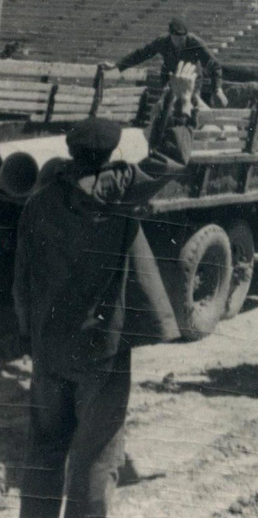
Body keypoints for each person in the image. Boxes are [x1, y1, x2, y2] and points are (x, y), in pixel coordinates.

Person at [13, 88, 194, 518]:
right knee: (95, 457)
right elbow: (170, 159)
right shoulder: (118, 191)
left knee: (42, 451)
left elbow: (22, 283)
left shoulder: (38, 203)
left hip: (49, 349)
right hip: (102, 350)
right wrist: (183, 106)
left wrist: (32, 337)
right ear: (111, 152)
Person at [106, 16, 228, 107]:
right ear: (170, 35)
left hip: (192, 80)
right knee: (165, 107)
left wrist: (218, 89)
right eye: (177, 39)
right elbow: (141, 54)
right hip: (169, 78)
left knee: (191, 105)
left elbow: (215, 66)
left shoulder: (195, 43)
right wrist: (118, 65)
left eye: (183, 39)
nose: (180, 42)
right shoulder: (162, 42)